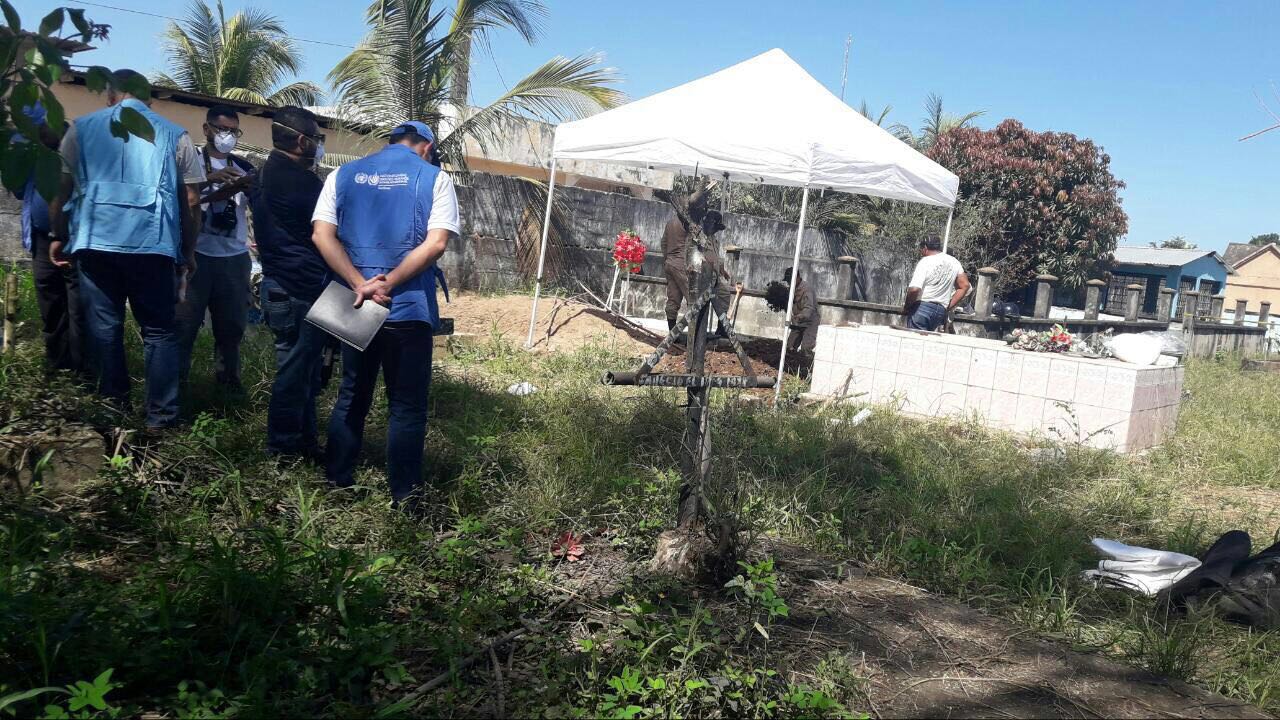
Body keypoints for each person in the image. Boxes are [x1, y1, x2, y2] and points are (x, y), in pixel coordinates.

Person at [311, 121, 459, 508]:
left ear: (390, 143)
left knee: (351, 393)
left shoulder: (341, 175)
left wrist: (360, 283)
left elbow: (321, 235)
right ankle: (405, 496)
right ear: (426, 147)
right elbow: (436, 244)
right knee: (406, 405)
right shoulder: (435, 178)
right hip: (407, 305)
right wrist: (388, 283)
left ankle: (337, 480)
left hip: (353, 302)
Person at [48, 69, 205, 430]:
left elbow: (62, 186)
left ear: (109, 96)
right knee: (159, 331)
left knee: (104, 328)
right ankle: (161, 418)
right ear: (149, 100)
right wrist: (188, 250)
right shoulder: (175, 135)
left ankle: (113, 412)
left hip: (95, 243)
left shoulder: (80, 129)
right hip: (153, 246)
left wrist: (59, 233)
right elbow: (193, 201)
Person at [249, 106, 329, 459]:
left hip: (278, 284)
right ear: (301, 140)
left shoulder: (263, 174)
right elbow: (330, 229)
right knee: (296, 374)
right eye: (316, 138)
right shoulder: (301, 182)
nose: (319, 145)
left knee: (302, 372)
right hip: (300, 289)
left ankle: (305, 443)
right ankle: (282, 448)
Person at [176, 105, 255, 390]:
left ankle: (228, 389)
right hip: (196, 255)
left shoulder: (244, 166)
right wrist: (208, 183)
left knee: (231, 329)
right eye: (222, 129)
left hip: (234, 258)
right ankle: (175, 388)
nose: (227, 136)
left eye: (234, 131)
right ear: (206, 129)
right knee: (183, 326)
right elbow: (178, 199)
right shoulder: (191, 162)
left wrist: (247, 187)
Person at [13, 105, 82, 374]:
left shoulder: (74, 153)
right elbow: (20, 190)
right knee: (50, 302)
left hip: (75, 237)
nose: (40, 136)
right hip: (42, 238)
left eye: (41, 130)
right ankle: (57, 365)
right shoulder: (35, 156)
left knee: (77, 305)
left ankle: (82, 370)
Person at [904, 236, 969, 332]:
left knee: (915, 339)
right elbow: (965, 286)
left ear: (925, 248)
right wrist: (948, 306)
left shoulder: (925, 261)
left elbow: (914, 290)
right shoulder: (954, 262)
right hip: (940, 311)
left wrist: (907, 306)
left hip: (922, 307)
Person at [782, 266, 818, 360]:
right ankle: (790, 365)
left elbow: (808, 308)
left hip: (810, 322)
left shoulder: (807, 289)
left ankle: (807, 366)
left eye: (790, 280)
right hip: (798, 322)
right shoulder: (791, 289)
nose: (789, 283)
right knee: (790, 346)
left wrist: (798, 317)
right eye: (788, 281)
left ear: (797, 278)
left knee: (806, 348)